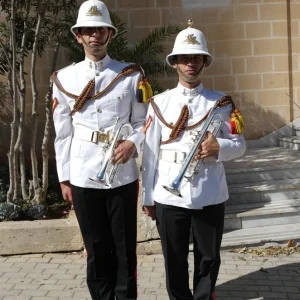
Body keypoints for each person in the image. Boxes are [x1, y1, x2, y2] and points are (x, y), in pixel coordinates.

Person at [142, 20, 246, 300]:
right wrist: (148, 198)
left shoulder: (222, 104)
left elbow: (240, 145)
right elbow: (150, 154)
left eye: (196, 58)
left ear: (204, 62)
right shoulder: (159, 103)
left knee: (209, 258)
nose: (190, 64)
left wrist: (219, 147)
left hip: (209, 192)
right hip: (168, 194)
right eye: (185, 59)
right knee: (173, 259)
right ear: (175, 62)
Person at [51, 1, 149, 299]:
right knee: (95, 249)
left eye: (100, 29)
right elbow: (63, 133)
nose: (94, 35)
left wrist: (133, 143)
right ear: (78, 36)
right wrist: (64, 177)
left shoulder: (131, 75)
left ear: (110, 33)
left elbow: (144, 122)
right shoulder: (64, 79)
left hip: (121, 175)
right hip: (82, 174)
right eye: (87, 30)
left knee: (123, 247)